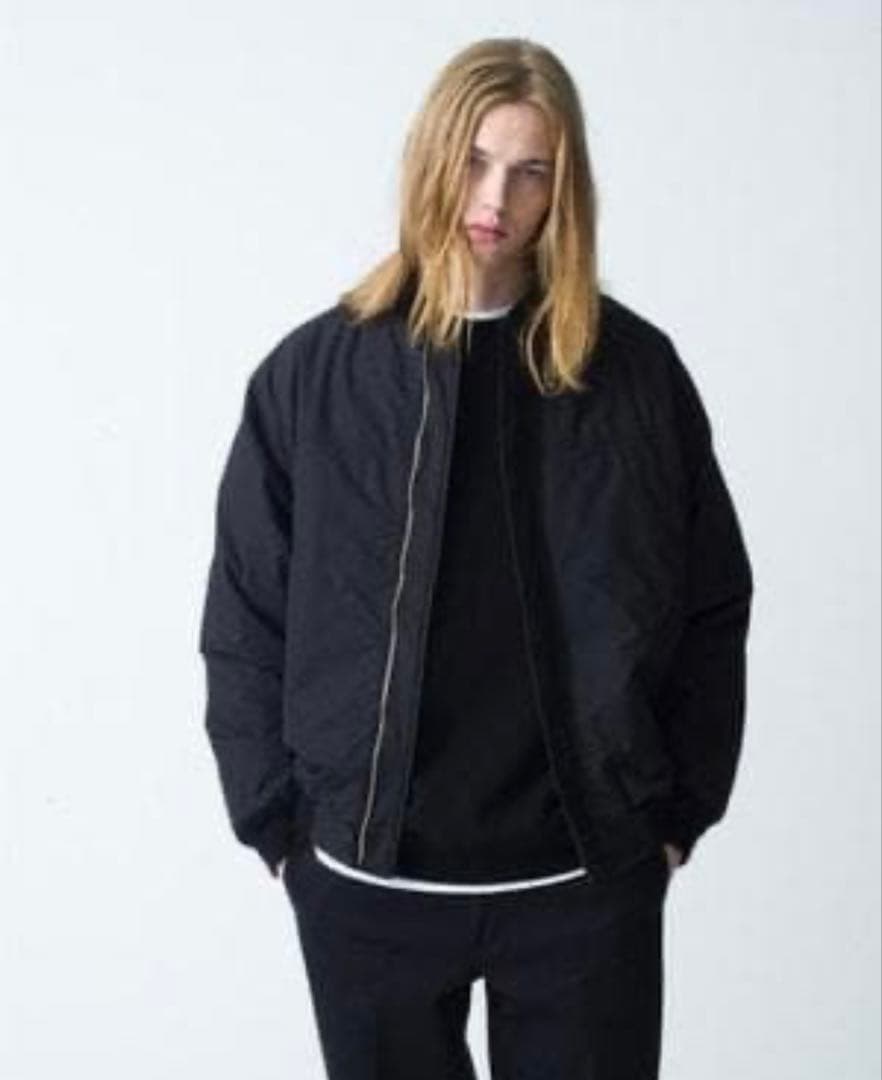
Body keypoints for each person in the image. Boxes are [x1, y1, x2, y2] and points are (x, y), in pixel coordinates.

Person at [198, 36, 754, 1080]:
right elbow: (244, 617)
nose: (496, 197)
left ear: (563, 191)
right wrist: (278, 827)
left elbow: (711, 602)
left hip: (584, 886)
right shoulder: (312, 378)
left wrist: (675, 818)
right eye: (475, 161)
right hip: (370, 890)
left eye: (531, 169)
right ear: (430, 159)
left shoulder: (634, 375)